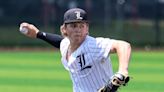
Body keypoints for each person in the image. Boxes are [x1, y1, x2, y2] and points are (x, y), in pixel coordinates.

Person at [19, 8, 131, 92]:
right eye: (73, 26)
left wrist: (123, 71)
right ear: (64, 29)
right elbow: (58, 42)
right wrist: (38, 34)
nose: (78, 30)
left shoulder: (94, 45)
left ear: (87, 29)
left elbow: (123, 45)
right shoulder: (66, 44)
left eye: (81, 26)